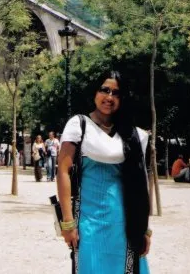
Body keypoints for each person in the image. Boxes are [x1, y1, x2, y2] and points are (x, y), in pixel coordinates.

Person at [57, 71, 151, 274]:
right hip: (88, 222)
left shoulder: (131, 135)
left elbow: (140, 184)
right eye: (104, 90)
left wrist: (145, 229)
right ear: (94, 93)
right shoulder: (79, 125)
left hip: (124, 223)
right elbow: (63, 171)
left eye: (116, 93)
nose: (109, 97)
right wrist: (67, 224)